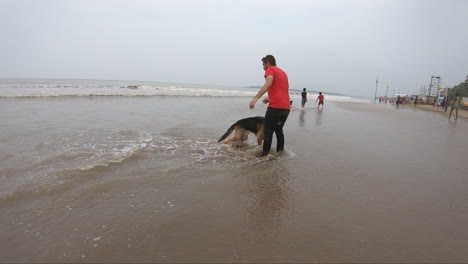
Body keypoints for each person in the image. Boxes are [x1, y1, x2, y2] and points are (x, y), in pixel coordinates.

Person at [249, 55, 290, 157]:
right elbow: (281, 89)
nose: (263, 67)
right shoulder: (283, 73)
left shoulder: (270, 69)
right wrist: (269, 98)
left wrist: (255, 99)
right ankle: (280, 153)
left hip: (275, 108)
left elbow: (269, 83)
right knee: (279, 131)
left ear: (267, 63)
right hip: (285, 108)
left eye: (263, 65)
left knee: (268, 131)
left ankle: (265, 155)